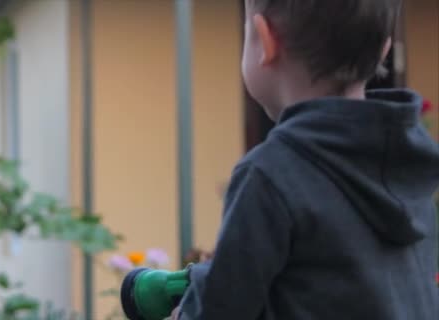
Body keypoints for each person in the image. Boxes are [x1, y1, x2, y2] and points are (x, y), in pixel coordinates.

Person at [173, 0, 439, 319]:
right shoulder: (409, 164)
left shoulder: (270, 173)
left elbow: (220, 308)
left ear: (265, 41)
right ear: (384, 48)